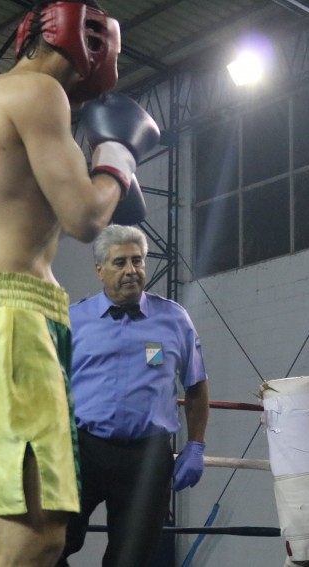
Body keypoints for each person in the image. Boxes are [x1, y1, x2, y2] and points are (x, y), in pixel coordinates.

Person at [0, 1, 160, 566]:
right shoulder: (40, 93)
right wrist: (117, 156)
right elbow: (86, 218)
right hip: (9, 326)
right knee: (38, 536)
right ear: (94, 44)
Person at [56, 224, 210, 567]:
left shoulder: (173, 318)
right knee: (47, 545)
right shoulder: (72, 320)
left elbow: (196, 385)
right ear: (99, 270)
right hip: (82, 448)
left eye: (138, 261)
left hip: (147, 456)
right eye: (119, 262)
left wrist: (196, 445)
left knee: (132, 559)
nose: (131, 271)